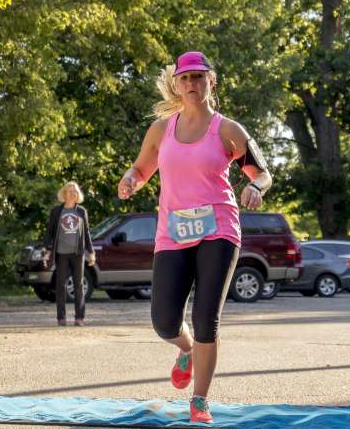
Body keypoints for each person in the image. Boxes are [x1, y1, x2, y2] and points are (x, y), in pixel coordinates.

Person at [118, 51, 272, 423]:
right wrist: (130, 180)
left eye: (199, 77)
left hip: (218, 228)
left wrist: (256, 187)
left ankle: (200, 400)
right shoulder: (161, 130)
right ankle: (185, 350)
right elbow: (141, 168)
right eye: (185, 78)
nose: (192, 84)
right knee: (164, 321)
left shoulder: (228, 130)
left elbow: (262, 172)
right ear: (176, 84)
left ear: (210, 82)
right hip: (173, 231)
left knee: (207, 319)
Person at [44, 181, 96, 327]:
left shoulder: (81, 212)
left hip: (77, 253)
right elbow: (50, 232)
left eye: (75, 191)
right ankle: (61, 318)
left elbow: (86, 233)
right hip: (61, 253)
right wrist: (47, 250)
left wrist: (91, 252)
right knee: (60, 285)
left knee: (78, 285)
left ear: (77, 194)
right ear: (64, 193)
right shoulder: (56, 211)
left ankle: (79, 318)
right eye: (69, 191)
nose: (72, 193)